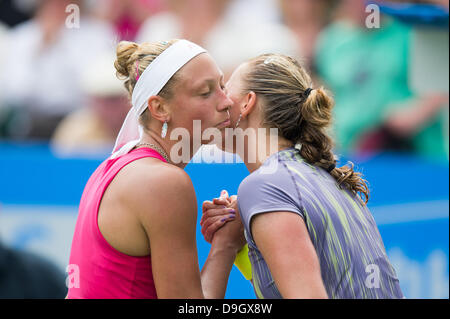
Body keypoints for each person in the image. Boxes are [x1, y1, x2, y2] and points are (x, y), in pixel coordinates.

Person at [200, 53, 404, 299]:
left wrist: (226, 245)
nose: (218, 101)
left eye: (226, 88)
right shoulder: (327, 177)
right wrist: (237, 245)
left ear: (247, 103)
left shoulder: (265, 186)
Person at [67, 39, 243, 299]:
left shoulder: (114, 167)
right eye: (206, 92)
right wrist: (226, 244)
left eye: (222, 86)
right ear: (159, 108)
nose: (226, 102)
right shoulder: (163, 182)